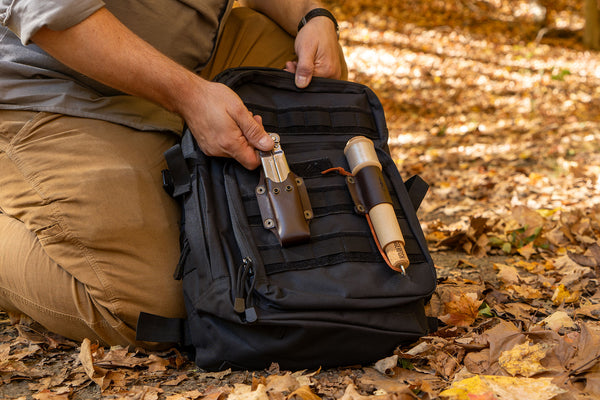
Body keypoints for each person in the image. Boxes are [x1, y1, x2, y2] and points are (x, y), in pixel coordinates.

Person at [0, 0, 347, 348]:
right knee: (156, 307)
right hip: (54, 92)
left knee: (309, 78)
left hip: (204, 62)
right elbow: (49, 12)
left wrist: (311, 16)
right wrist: (190, 97)